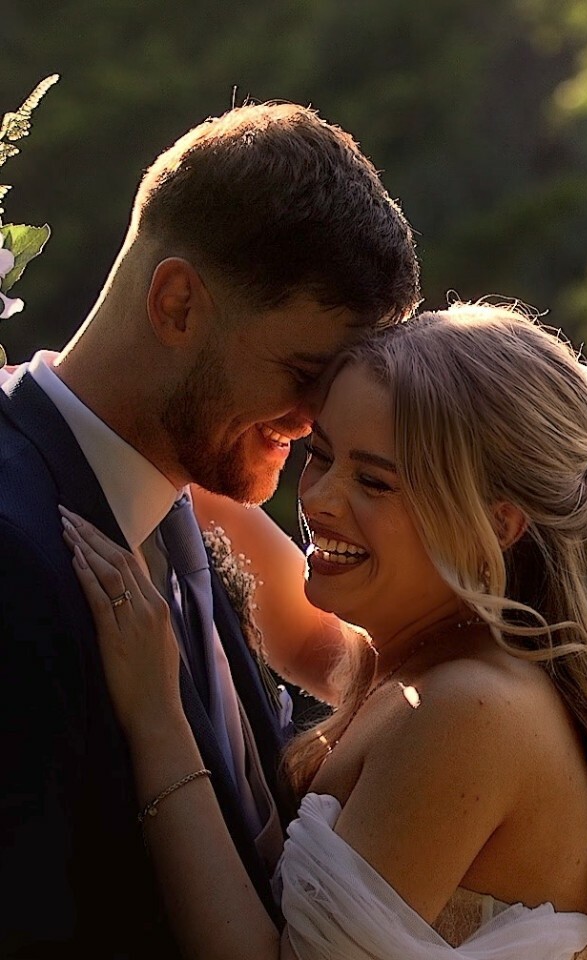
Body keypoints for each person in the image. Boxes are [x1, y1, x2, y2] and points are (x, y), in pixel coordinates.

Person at [62, 302, 587, 960]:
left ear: (498, 524)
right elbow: (289, 614)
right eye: (321, 455)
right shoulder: (430, 664)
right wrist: (69, 407)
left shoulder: (470, 710)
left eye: (373, 481)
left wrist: (156, 714)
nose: (317, 499)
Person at [0, 102, 419, 958]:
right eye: (304, 373)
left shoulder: (184, 507)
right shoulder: (12, 549)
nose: (315, 420)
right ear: (179, 303)